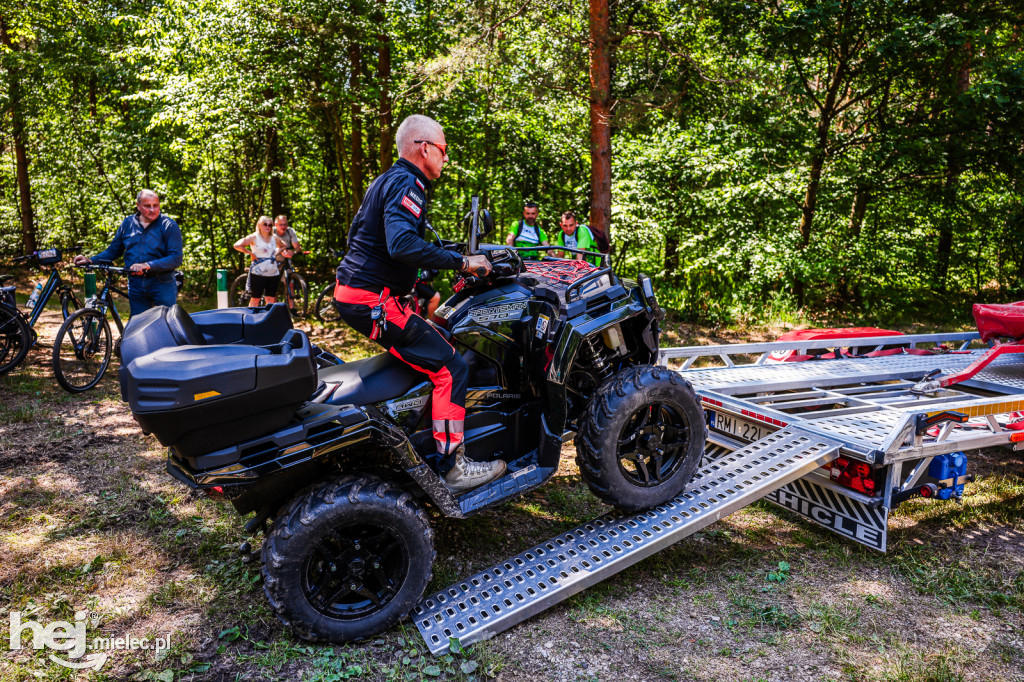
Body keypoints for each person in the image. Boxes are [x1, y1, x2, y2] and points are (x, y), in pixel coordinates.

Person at [333, 114, 505, 493]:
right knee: (451, 368)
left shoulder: (389, 180)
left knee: (439, 337)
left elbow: (376, 239)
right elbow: (401, 245)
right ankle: (452, 467)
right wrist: (463, 262)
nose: (446, 157)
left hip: (362, 295)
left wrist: (454, 252)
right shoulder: (408, 183)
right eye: (443, 149)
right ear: (424, 147)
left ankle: (424, 432)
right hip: (372, 301)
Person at [73, 189, 183, 316]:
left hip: (162, 284)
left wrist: (148, 265)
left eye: (155, 205)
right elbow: (113, 251)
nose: (152, 210)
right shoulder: (128, 224)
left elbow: (176, 258)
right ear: (138, 206)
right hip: (136, 284)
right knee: (138, 326)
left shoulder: (169, 226)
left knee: (166, 324)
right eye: (147, 206)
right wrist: (90, 260)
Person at [234, 216, 288, 307]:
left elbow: (284, 245)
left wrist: (277, 251)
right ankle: (251, 319)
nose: (267, 227)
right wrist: (251, 253)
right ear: (259, 225)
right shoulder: (254, 237)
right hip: (258, 272)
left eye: (270, 225)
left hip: (273, 273)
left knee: (270, 299)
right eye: (265, 224)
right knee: (255, 298)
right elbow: (237, 245)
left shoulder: (274, 237)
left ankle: (268, 319)